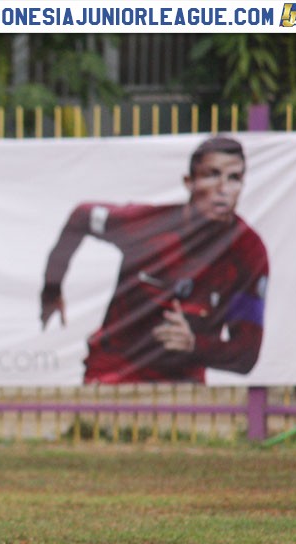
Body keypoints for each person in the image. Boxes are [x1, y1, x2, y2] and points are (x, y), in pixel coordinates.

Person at [40, 135, 269, 383]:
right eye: (211, 175)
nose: (223, 189)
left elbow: (246, 354)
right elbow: (82, 216)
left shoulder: (248, 252)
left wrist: (195, 345)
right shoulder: (149, 225)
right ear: (189, 182)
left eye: (234, 178)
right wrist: (52, 287)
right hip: (114, 374)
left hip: (182, 386)